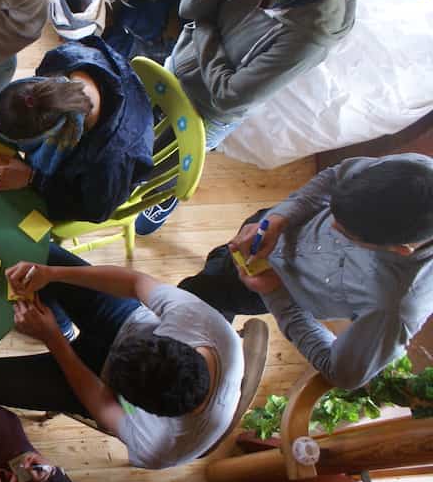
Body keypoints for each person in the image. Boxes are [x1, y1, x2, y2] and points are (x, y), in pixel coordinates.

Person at [136, 0, 356, 234]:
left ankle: (164, 196)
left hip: (207, 112)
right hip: (179, 66)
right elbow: (189, 9)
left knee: (168, 165)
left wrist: (203, 26)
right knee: (139, 132)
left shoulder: (310, 34)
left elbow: (229, 96)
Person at [0, 245, 243, 470]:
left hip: (98, 385)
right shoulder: (204, 325)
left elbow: (102, 402)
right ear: (179, 344)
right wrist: (52, 274)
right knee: (35, 257)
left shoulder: (160, 445)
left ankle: (62, 332)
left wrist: (54, 339)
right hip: (128, 323)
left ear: (139, 406)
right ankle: (59, 316)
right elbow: (134, 283)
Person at [180, 153, 433, 390]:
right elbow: (335, 177)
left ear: (401, 250)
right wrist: (280, 217)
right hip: (268, 230)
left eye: (348, 233)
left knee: (199, 297)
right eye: (334, 212)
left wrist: (276, 293)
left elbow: (342, 373)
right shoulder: (415, 173)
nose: (331, 224)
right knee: (218, 265)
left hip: (265, 290)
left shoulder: (397, 306)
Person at [0, 38, 154, 223]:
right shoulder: (60, 66)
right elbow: (25, 105)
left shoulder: (110, 161)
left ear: (50, 138)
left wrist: (32, 177)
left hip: (77, 190)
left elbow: (96, 210)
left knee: (9, 213)